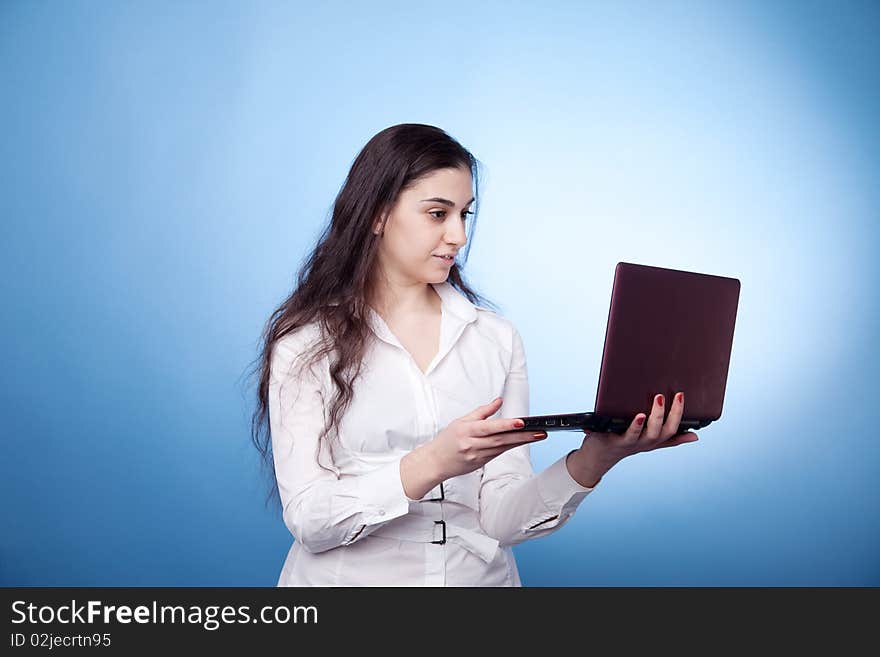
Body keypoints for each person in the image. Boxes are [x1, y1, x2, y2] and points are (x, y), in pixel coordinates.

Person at [249, 123, 699, 586]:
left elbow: (501, 519)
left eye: (465, 214)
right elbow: (309, 519)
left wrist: (596, 458)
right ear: (378, 215)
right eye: (438, 214)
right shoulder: (306, 343)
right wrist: (434, 462)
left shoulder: (495, 338)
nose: (459, 235)